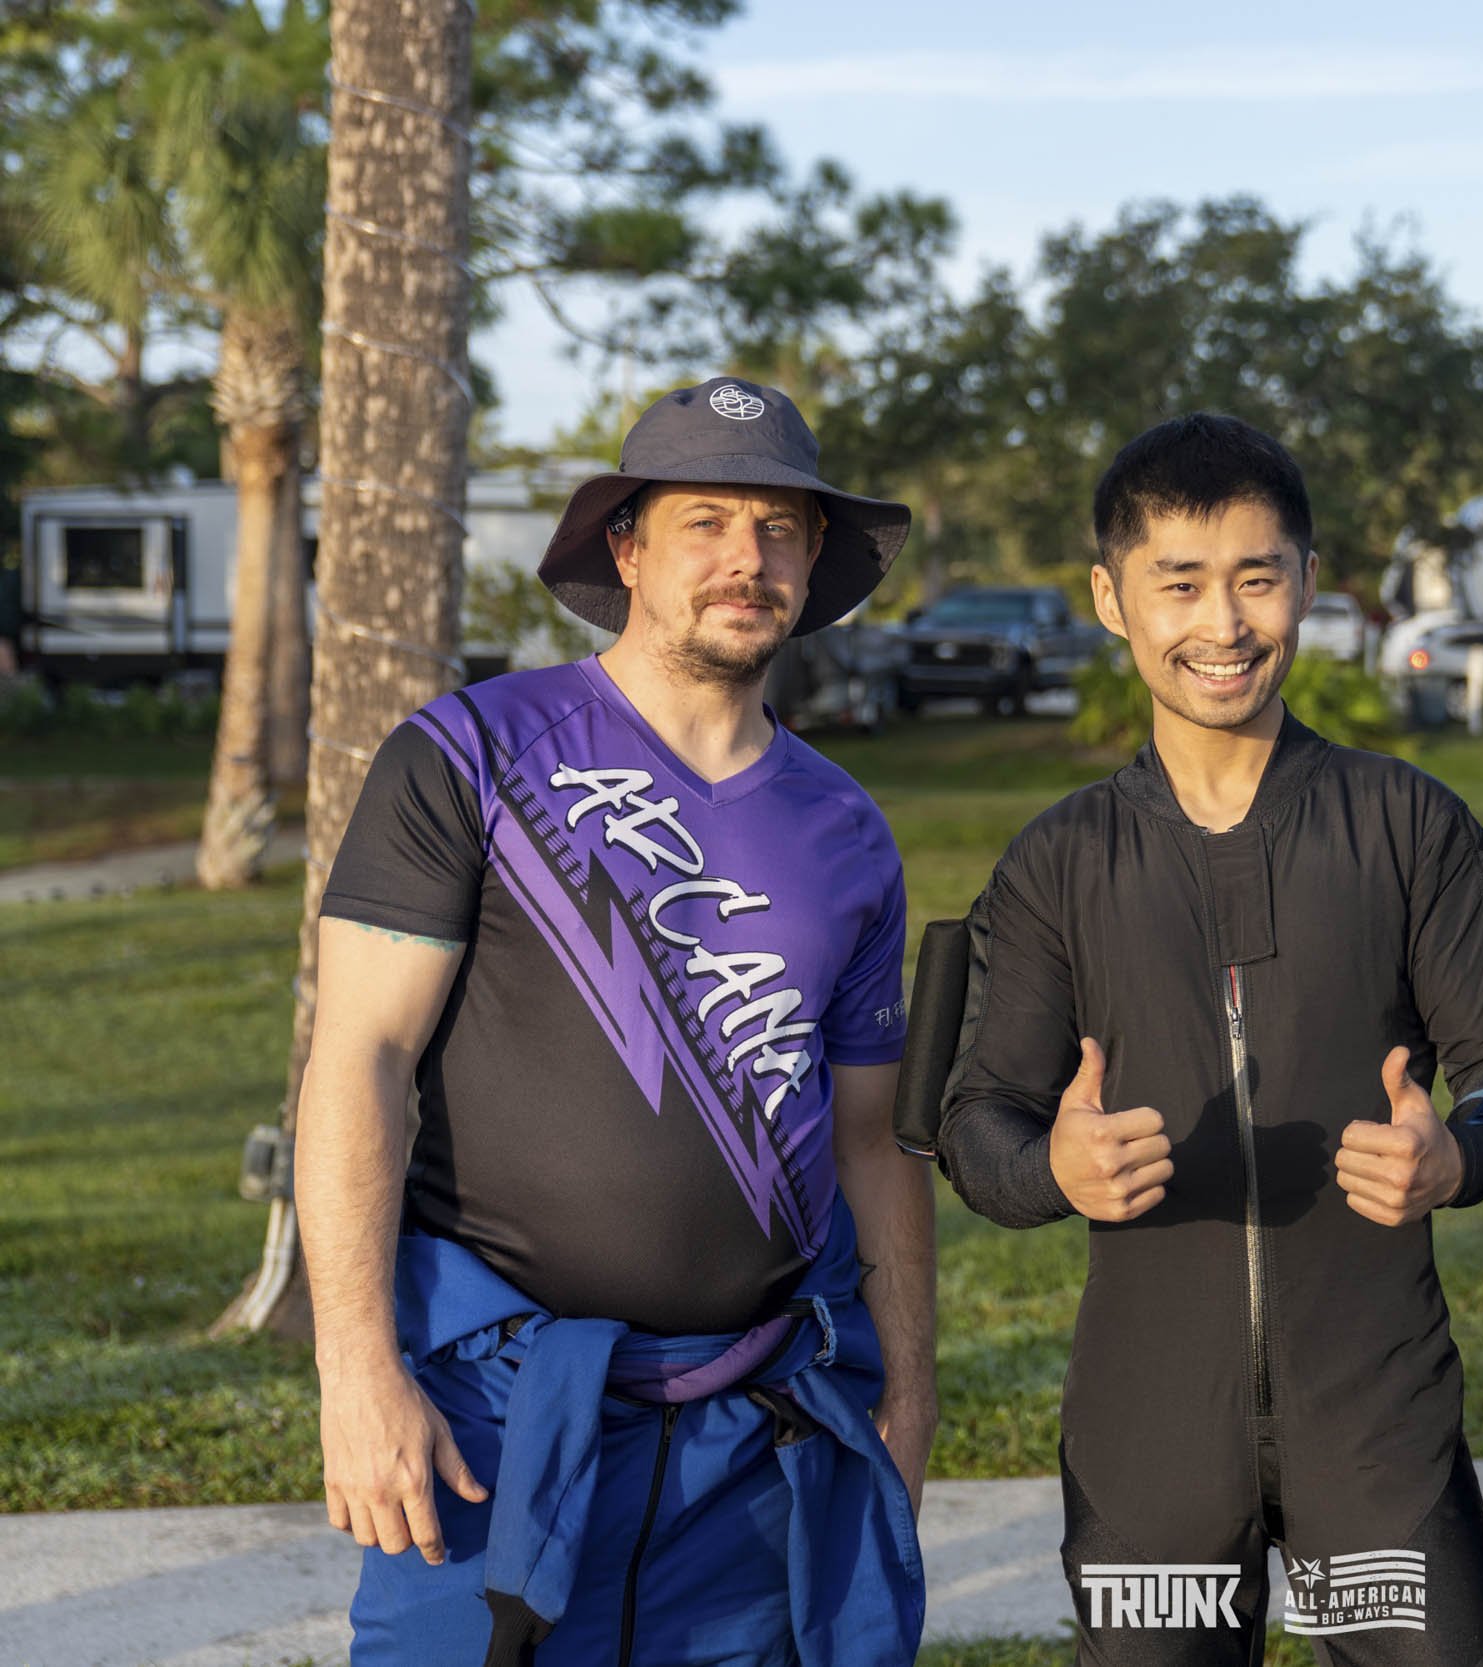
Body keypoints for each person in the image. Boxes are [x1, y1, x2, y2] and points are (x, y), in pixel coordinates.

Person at [296, 376, 933, 1666]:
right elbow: (359, 1057)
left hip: (756, 1438)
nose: (744, 559)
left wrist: (909, 1397)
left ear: (813, 563)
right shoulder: (470, 753)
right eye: (705, 521)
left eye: (779, 528)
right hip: (492, 1419)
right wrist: (357, 1373)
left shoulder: (846, 827)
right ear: (628, 549)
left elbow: (876, 1142)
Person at [933, 413, 1483, 1666]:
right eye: (1180, 583)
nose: (1222, 623)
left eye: (1256, 576)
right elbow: (975, 1117)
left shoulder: (1407, 824)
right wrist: (1048, 1171)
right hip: (1149, 1424)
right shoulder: (1059, 863)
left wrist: (1460, 1155)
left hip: (1377, 1411)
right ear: (1111, 600)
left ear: (1309, 584)